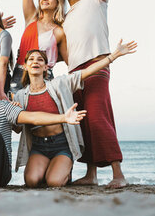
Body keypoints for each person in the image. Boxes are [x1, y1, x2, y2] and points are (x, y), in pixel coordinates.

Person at [61, 0, 138, 188]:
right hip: (74, 74)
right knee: (83, 123)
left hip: (97, 65)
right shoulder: (65, 18)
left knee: (99, 118)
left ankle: (118, 176)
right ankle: (91, 175)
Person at [12, 39, 137, 187]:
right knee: (32, 181)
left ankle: (63, 170)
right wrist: (15, 115)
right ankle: (49, 168)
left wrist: (113, 56)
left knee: (54, 182)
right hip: (39, 147)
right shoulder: (20, 95)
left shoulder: (59, 84)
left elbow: (86, 72)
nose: (36, 62)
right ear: (25, 66)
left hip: (60, 145)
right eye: (31, 59)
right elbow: (18, 129)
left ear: (46, 67)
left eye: (40, 59)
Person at [6, 0, 69, 91]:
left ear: (58, 2)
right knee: (17, 113)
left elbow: (69, 61)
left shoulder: (59, 32)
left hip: (45, 78)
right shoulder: (31, 19)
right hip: (20, 74)